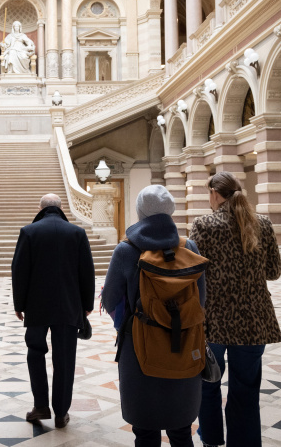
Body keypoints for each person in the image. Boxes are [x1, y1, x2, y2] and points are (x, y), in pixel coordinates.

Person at [101, 185, 205, 447]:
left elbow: (110, 299)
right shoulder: (189, 246)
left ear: (140, 212)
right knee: (181, 431)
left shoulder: (126, 250)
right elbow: (201, 300)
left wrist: (129, 324)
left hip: (139, 349)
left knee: (145, 432)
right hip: (184, 343)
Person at [189, 171, 281, 447]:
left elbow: (193, 272)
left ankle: (211, 441)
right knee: (246, 390)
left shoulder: (203, 225)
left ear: (215, 194)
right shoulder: (263, 224)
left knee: (208, 384)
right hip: (254, 322)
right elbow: (274, 271)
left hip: (212, 321)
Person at [11, 194, 95, 428]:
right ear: (61, 208)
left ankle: (40, 406)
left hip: (36, 306)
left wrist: (19, 304)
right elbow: (87, 271)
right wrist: (87, 305)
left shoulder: (29, 232)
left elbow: (19, 270)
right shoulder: (77, 232)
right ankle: (61, 412)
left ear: (40, 208)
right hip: (68, 306)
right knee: (65, 358)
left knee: (35, 353)